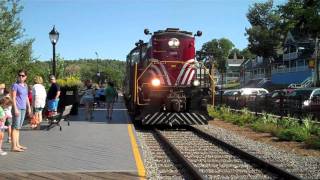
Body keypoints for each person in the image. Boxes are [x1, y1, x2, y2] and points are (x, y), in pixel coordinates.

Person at [11, 69, 31, 152]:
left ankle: (17, 144)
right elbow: (13, 98)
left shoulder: (25, 86)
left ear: (25, 77)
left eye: (22, 75)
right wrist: (15, 108)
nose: (20, 77)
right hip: (17, 108)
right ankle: (13, 146)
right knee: (15, 127)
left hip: (23, 108)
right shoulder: (15, 85)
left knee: (18, 127)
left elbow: (26, 97)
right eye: (19, 75)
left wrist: (29, 107)